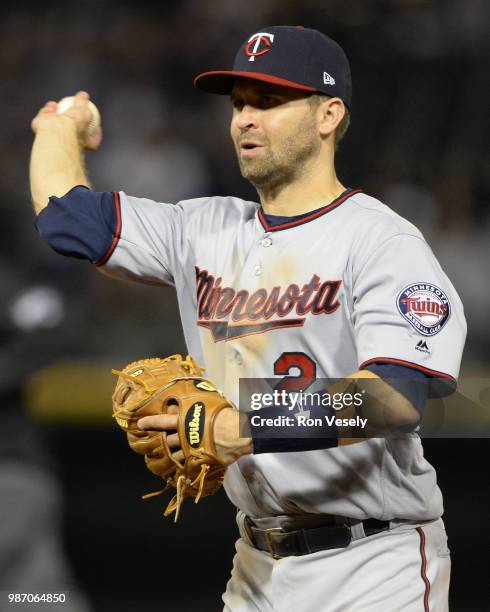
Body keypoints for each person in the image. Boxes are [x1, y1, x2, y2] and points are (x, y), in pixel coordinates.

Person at [30, 25, 466, 612]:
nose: (244, 119)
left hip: (373, 562)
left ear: (328, 114)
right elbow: (65, 219)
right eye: (238, 104)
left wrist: (239, 425)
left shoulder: (380, 239)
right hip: (257, 563)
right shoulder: (200, 227)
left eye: (270, 101)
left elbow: (396, 397)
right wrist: (59, 125)